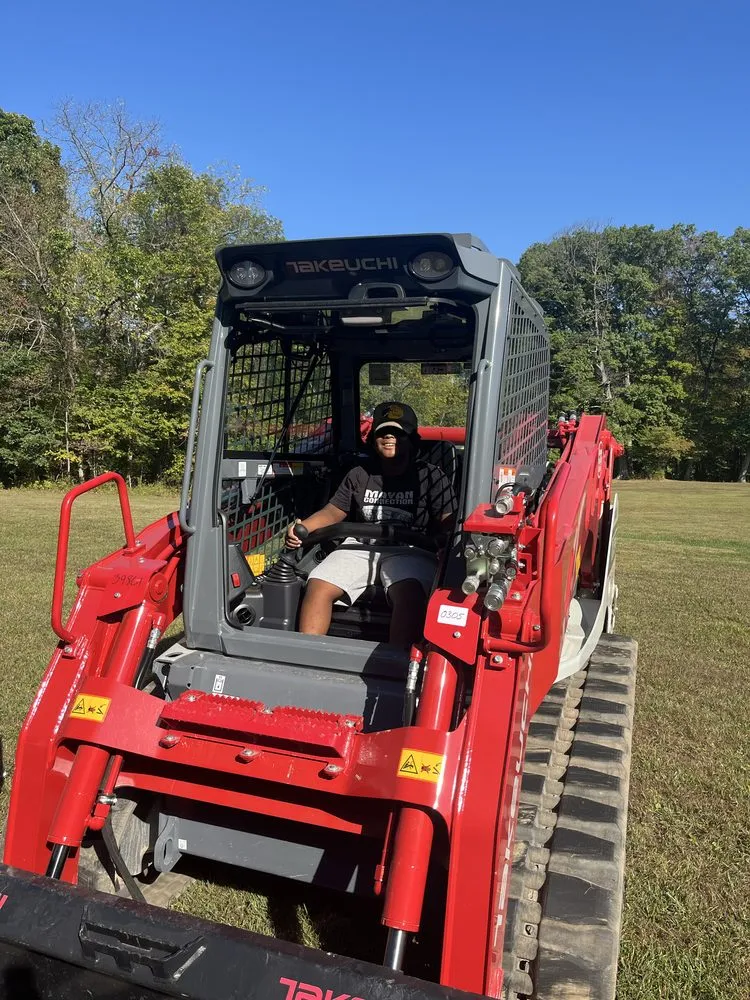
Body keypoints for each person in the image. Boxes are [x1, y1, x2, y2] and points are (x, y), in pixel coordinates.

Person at [286, 401, 457, 646]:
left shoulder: (430, 476)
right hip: (360, 545)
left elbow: (447, 522)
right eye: (382, 432)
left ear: (412, 438)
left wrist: (446, 545)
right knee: (318, 584)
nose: (389, 437)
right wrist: (304, 528)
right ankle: (308, 656)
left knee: (409, 594)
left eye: (398, 432)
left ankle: (396, 666)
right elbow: (334, 512)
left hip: (410, 549)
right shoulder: (360, 474)